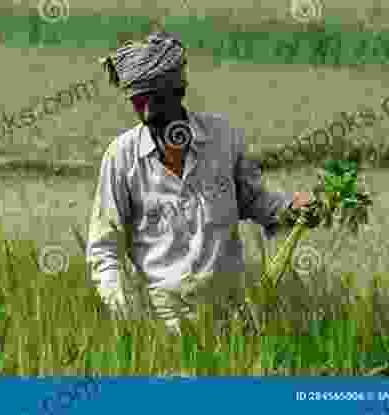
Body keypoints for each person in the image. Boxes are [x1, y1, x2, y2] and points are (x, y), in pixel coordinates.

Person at [87, 31, 312, 335]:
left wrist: (290, 208)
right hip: (160, 331)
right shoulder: (121, 158)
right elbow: (104, 248)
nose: (148, 112)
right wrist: (126, 316)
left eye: (157, 99)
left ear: (180, 91)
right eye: (138, 101)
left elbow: (253, 201)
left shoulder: (222, 138)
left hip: (234, 325)